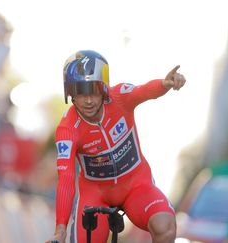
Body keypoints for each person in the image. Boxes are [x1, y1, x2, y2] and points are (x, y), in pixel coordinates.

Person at [46, 50, 186, 243]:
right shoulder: (67, 128)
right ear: (70, 93)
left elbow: (144, 91)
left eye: (94, 90)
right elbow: (66, 179)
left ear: (104, 88)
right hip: (94, 194)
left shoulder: (120, 97)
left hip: (136, 185)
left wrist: (164, 84)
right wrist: (60, 229)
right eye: (80, 91)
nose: (88, 100)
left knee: (165, 227)